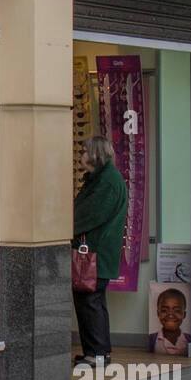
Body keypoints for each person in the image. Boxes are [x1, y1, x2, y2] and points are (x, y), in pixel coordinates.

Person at [72, 135, 129, 366]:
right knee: (94, 302)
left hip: (95, 255)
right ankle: (98, 352)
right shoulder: (105, 179)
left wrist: (63, 228)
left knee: (89, 302)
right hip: (98, 255)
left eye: (84, 151)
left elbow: (87, 215)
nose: (81, 156)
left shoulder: (105, 182)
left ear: (95, 154)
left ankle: (95, 354)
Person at [149, 287, 190, 356]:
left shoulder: (190, 340)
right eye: (164, 310)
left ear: (184, 314)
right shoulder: (151, 340)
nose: (170, 315)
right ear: (158, 313)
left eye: (177, 310)